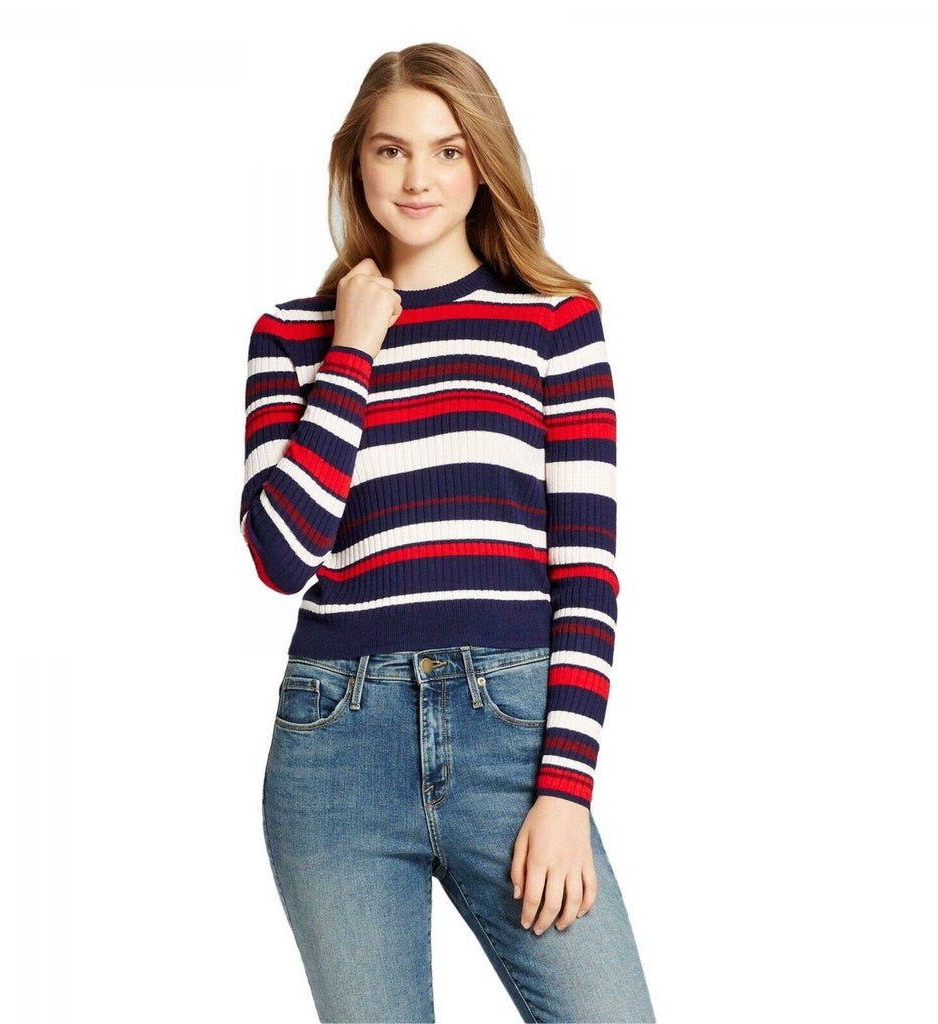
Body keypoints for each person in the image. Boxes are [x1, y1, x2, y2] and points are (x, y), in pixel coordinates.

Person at [239, 42, 656, 1024]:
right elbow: (282, 554)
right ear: (356, 163)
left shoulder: (554, 325)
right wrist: (352, 352)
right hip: (335, 743)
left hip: (510, 736)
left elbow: (587, 578)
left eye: (448, 150)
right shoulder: (289, 336)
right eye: (391, 150)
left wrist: (564, 792)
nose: (418, 178)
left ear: (482, 163)